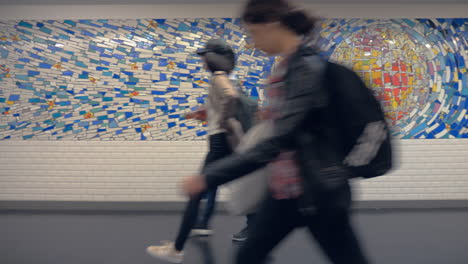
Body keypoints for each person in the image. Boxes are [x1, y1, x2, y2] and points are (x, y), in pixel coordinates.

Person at [182, 0, 370, 264]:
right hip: (285, 191)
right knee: (247, 256)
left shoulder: (306, 69)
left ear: (271, 25)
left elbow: (279, 139)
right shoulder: (286, 68)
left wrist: (210, 176)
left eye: (253, 33)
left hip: (317, 191)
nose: (252, 41)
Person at [146, 38, 243, 264]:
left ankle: (177, 249)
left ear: (215, 58)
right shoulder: (225, 79)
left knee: (196, 191)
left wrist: (224, 121)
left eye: (205, 57)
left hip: (220, 143)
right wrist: (204, 112)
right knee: (241, 185)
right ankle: (258, 233)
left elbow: (231, 97)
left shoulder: (219, 79)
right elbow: (224, 102)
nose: (203, 62)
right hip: (223, 141)